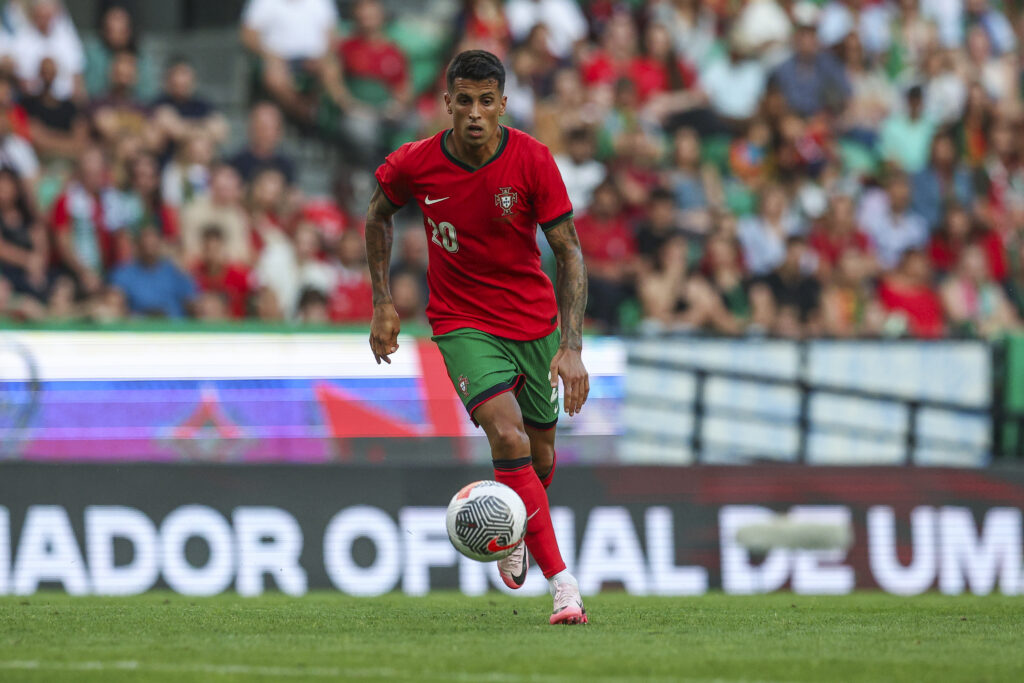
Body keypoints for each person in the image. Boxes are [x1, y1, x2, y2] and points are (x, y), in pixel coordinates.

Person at [366, 50, 589, 625]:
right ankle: (563, 585)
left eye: (485, 102)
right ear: (448, 104)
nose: (473, 113)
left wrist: (571, 346)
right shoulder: (415, 164)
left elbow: (568, 253)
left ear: (502, 106)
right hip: (462, 322)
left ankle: (513, 525)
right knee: (507, 435)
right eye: (463, 100)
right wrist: (384, 301)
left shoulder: (533, 161)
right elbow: (376, 216)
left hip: (533, 323)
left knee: (540, 456)